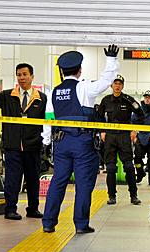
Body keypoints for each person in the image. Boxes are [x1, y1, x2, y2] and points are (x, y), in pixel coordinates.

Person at [41, 45, 119, 234]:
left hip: (60, 142)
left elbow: (48, 119)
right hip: (82, 142)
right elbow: (106, 81)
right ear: (80, 70)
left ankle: (48, 223)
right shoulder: (84, 88)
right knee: (84, 183)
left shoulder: (54, 92)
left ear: (62, 71)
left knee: (58, 181)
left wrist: (46, 141)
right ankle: (81, 224)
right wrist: (110, 59)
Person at [0, 63, 46, 220]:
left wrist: (42, 139)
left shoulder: (41, 98)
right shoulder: (7, 95)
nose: (21, 78)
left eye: (24, 74)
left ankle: (33, 209)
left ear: (32, 76)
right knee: (12, 179)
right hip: (12, 145)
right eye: (19, 75)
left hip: (33, 146)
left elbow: (42, 121)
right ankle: (10, 209)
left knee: (33, 179)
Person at [98, 75, 144, 205]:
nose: (117, 86)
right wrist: (101, 131)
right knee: (111, 168)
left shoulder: (128, 100)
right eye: (115, 83)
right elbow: (99, 117)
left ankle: (133, 195)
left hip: (124, 136)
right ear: (111, 86)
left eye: (120, 84)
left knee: (129, 167)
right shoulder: (105, 100)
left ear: (122, 86)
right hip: (110, 137)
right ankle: (112, 196)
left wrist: (134, 130)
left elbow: (141, 115)